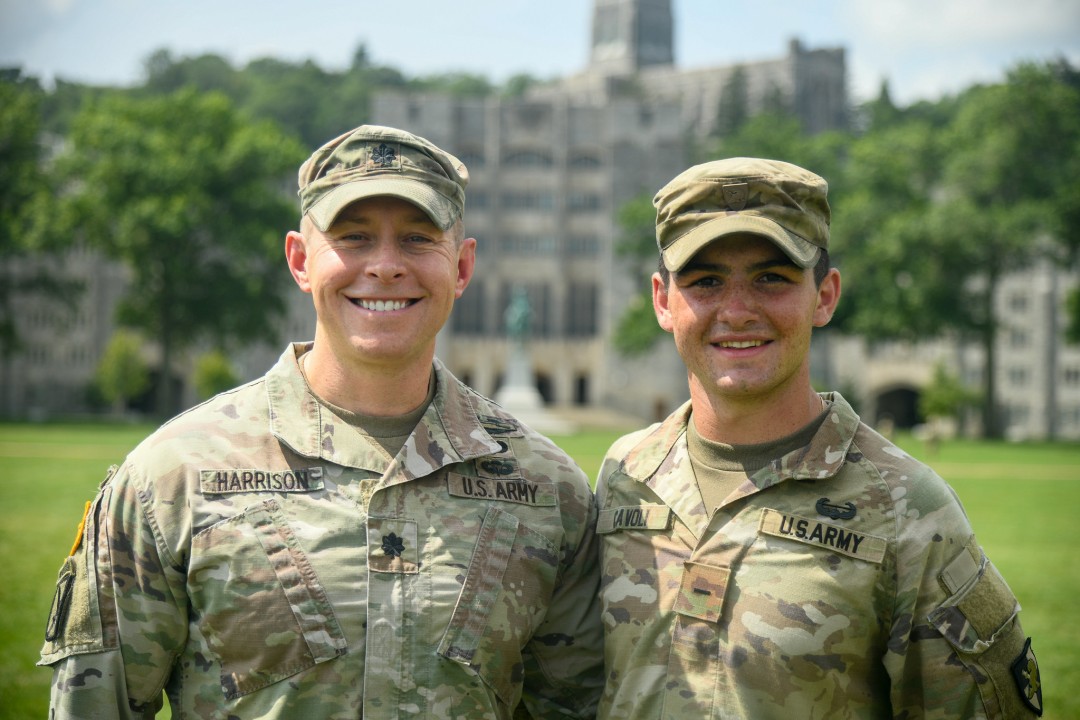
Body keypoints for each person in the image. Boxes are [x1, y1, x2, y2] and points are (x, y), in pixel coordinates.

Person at [40, 124, 604, 719]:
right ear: (300, 260)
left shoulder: (549, 490)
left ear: (462, 267)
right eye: (353, 237)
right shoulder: (172, 476)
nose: (385, 266)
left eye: (417, 239)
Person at [595, 157, 1043, 718]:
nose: (738, 311)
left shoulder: (908, 509)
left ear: (825, 296)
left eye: (772, 278)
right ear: (663, 301)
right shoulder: (627, 474)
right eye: (706, 281)